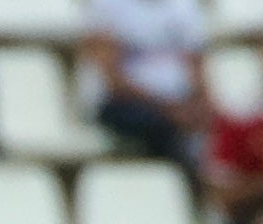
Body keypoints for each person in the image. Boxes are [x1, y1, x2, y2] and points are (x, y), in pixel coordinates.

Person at [82, 0, 208, 162]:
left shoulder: (184, 5)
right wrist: (169, 110)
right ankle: (189, 179)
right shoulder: (106, 5)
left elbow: (196, 66)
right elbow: (113, 81)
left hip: (177, 103)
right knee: (162, 128)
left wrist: (200, 105)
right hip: (123, 103)